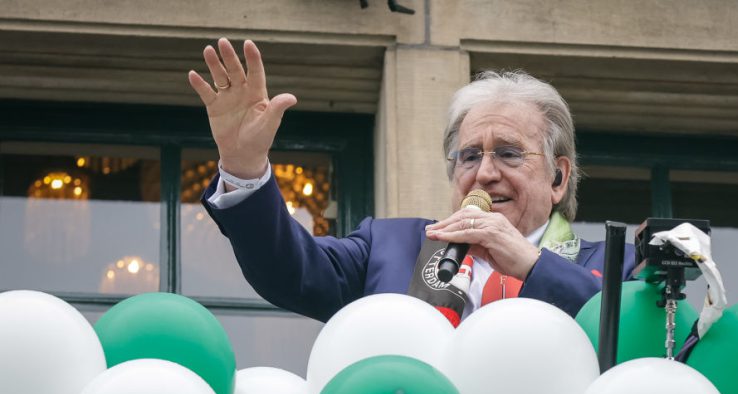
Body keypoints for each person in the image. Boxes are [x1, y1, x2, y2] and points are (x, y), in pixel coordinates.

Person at [189, 38, 634, 324]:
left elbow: (634, 340)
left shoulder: (621, 268)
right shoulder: (389, 244)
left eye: (509, 153)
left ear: (558, 177)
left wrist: (531, 264)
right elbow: (287, 270)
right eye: (469, 155)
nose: (483, 172)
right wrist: (244, 165)